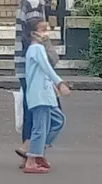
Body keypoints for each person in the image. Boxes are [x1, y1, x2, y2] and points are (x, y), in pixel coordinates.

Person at [14, 0, 54, 160]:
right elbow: (33, 38)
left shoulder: (29, 0)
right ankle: (32, 149)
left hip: (26, 65)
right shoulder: (34, 3)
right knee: (45, 112)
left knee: (32, 110)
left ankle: (30, 150)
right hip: (33, 67)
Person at [22, 17, 70, 174]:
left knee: (58, 120)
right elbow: (47, 68)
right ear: (33, 33)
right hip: (39, 94)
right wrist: (60, 83)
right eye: (43, 30)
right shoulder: (36, 49)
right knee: (40, 127)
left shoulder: (36, 49)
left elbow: (44, 72)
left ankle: (37, 150)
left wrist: (52, 85)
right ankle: (32, 159)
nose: (46, 33)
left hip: (44, 92)